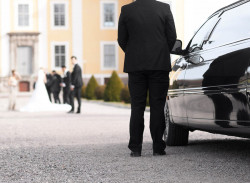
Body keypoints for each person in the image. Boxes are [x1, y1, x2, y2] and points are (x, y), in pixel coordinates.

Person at [118, 0, 177, 157]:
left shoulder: (126, 10)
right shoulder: (164, 8)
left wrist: (133, 52)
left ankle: (135, 148)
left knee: (137, 106)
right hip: (159, 64)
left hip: (135, 65)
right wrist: (162, 50)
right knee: (157, 105)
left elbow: (121, 39)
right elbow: (172, 37)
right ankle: (158, 147)